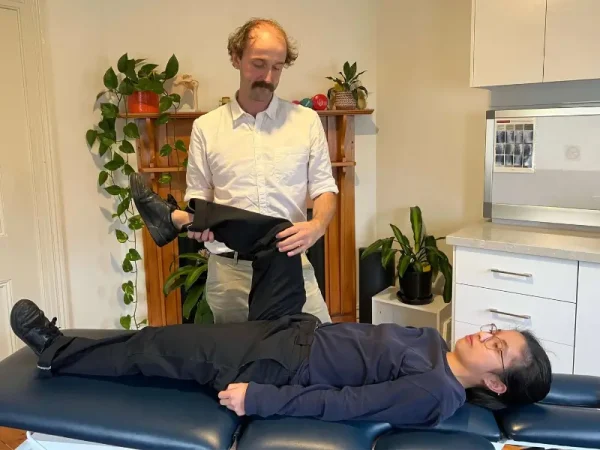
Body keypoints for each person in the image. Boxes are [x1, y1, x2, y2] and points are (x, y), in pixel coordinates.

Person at [9, 174, 552, 427]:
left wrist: (263, 400)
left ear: (498, 383)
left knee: (159, 344)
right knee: (283, 234)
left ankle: (58, 351)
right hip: (296, 327)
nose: (484, 333)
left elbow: (348, 406)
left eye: (497, 346)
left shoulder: (436, 394)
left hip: (275, 361)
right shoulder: (435, 346)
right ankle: (176, 220)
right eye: (494, 330)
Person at [182, 18, 338, 325]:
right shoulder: (206, 128)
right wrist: (198, 224)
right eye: (258, 64)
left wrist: (317, 225)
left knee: (321, 356)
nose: (268, 76)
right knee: (239, 366)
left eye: (277, 67)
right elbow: (198, 196)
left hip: (291, 265)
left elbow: (324, 188)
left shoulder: (306, 121)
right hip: (230, 274)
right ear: (236, 58)